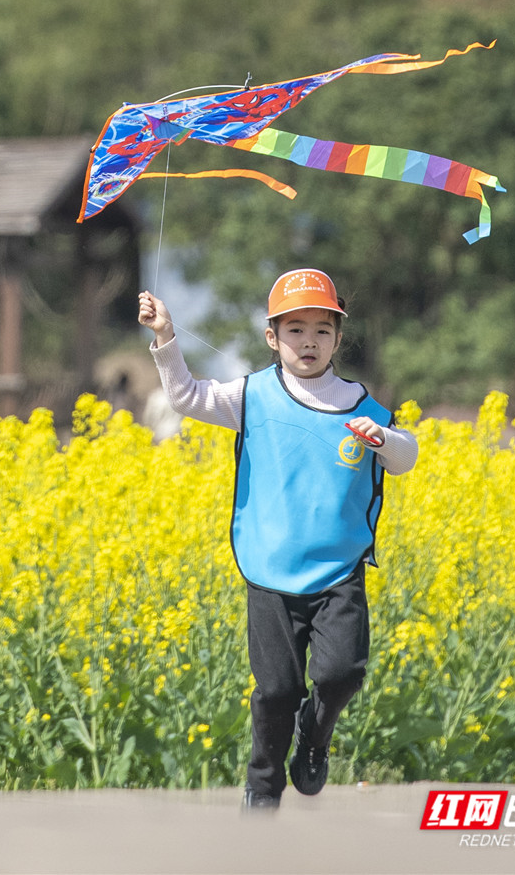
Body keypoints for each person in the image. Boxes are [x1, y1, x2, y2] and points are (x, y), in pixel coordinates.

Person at [138, 268, 418, 810]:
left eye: (321, 329)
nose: (308, 341)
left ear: (339, 337)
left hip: (339, 571)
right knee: (274, 692)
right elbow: (186, 398)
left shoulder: (364, 406)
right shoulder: (252, 395)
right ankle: (263, 788)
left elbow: (404, 456)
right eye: (295, 329)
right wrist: (166, 337)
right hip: (269, 571)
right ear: (272, 337)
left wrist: (382, 438)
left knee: (343, 673)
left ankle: (314, 739)